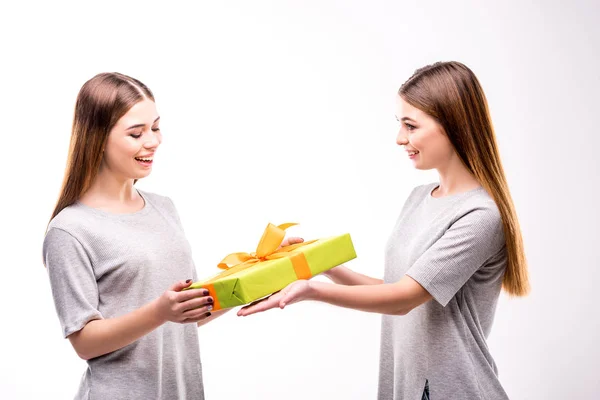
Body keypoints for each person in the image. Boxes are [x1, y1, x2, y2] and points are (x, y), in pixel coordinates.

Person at [238, 61, 530, 400]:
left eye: (410, 125)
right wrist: (315, 263)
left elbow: (404, 299)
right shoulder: (419, 198)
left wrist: (312, 291)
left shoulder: (480, 216)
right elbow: (395, 288)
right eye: (399, 124)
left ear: (453, 125)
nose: (399, 138)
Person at [42, 72, 300, 399]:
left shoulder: (164, 208)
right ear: (97, 138)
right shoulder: (70, 230)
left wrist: (266, 269)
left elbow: (191, 310)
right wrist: (160, 311)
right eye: (136, 133)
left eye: (155, 127)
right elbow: (84, 342)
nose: (152, 141)